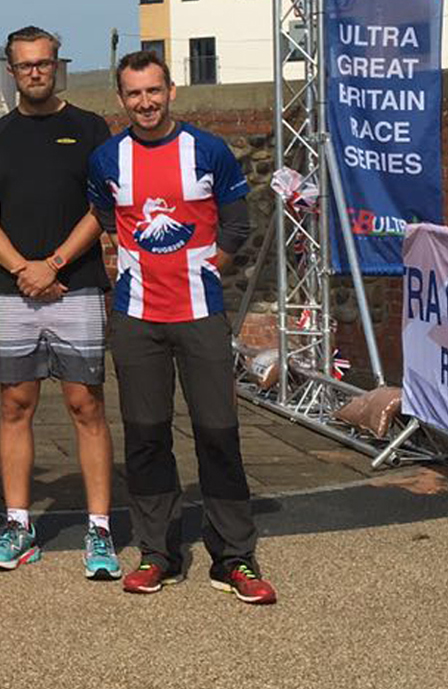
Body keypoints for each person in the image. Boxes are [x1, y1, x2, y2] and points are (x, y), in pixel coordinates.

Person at [86, 50, 276, 605]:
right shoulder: (106, 159)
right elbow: (104, 219)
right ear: (121, 99)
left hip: (199, 314)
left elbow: (237, 220)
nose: (145, 102)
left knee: (218, 433)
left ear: (172, 91)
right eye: (133, 94)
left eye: (153, 91)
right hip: (137, 317)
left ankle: (234, 557)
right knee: (145, 437)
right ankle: (157, 553)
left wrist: (208, 266)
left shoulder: (208, 150)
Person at [0, 27, 120, 579]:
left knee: (87, 404)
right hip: (16, 293)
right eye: (25, 65)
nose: (36, 72)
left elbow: (102, 210)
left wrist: (53, 266)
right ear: (11, 71)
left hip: (76, 286)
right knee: (15, 406)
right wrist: (23, 271)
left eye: (45, 63)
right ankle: (18, 525)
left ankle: (99, 530)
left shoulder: (89, 128)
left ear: (57, 65)